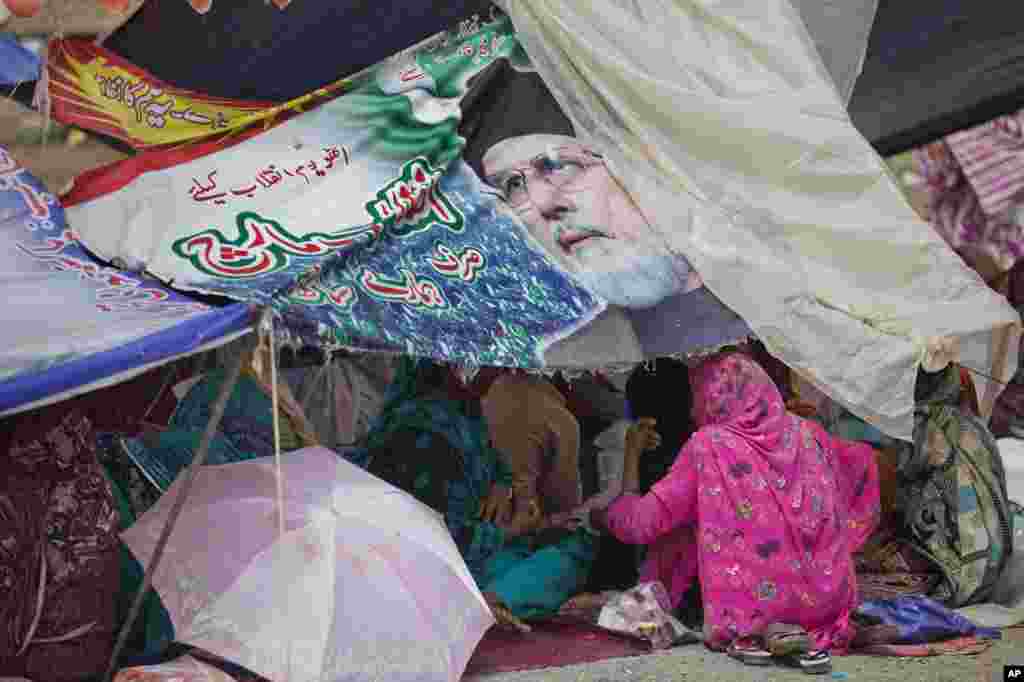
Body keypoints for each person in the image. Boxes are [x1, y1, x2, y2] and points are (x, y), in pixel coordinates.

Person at [591, 351, 880, 673]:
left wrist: (627, 464)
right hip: (830, 603)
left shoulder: (709, 445)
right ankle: (792, 620)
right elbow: (862, 459)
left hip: (754, 611)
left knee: (682, 531)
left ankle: (765, 625)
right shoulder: (808, 432)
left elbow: (639, 525)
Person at [462, 63, 751, 359]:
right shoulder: (574, 346)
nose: (540, 204)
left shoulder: (770, 266)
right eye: (512, 185)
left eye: (559, 165)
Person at [361, 358, 596, 630]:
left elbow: (497, 470)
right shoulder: (424, 431)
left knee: (527, 556)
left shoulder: (464, 412)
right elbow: (433, 533)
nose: (495, 373)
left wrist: (502, 485)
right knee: (573, 550)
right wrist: (513, 530)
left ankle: (495, 597)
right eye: (489, 364)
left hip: (470, 554)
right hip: (434, 568)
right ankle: (491, 602)